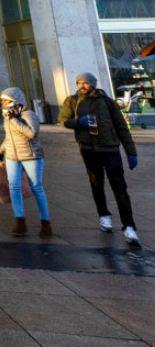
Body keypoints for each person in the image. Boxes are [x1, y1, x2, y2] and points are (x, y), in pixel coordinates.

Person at [57, 72, 141, 247]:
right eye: (79, 83)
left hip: (110, 149)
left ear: (93, 84)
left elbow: (121, 127)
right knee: (96, 184)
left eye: (85, 83)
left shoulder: (108, 102)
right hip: (88, 149)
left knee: (120, 187)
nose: (82, 86)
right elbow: (63, 120)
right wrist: (78, 122)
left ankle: (129, 227)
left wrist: (130, 151)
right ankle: (104, 215)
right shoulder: (72, 101)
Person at [0, 87, 52, 238]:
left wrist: (13, 120)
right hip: (12, 156)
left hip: (30, 155)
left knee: (36, 187)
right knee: (13, 186)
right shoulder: (7, 117)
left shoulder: (28, 114)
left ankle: (45, 222)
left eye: (5, 100)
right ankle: (20, 221)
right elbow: (9, 137)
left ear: (15, 100)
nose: (2, 103)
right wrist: (1, 151)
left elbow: (32, 133)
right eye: (1, 100)